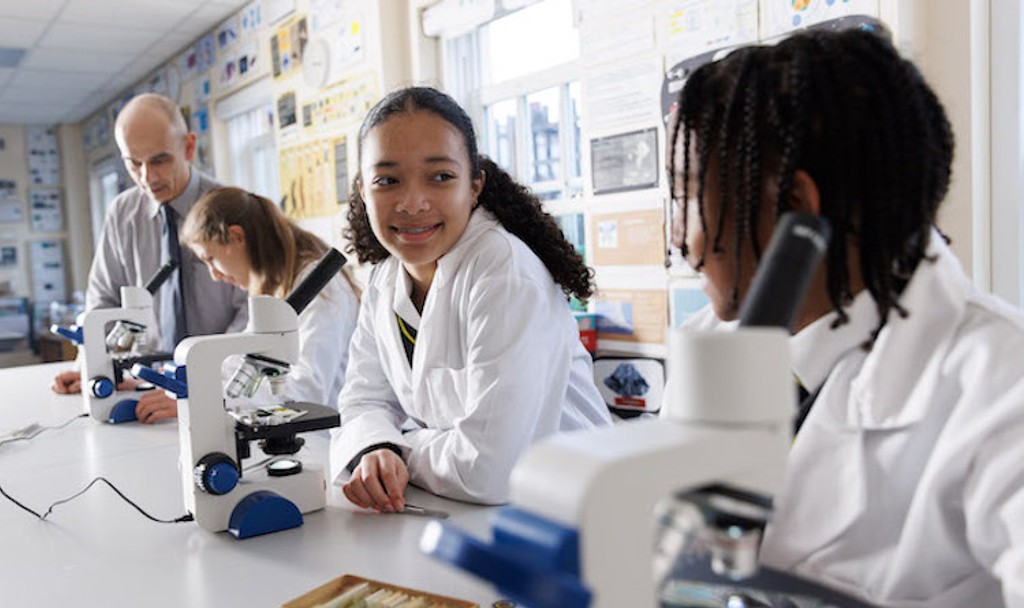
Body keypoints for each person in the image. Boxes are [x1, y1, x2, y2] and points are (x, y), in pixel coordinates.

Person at [668, 27, 1024, 607]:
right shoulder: (708, 347)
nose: (679, 238)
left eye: (686, 198)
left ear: (795, 206)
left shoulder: (1002, 384)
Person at [330, 86, 612, 510]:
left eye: (440, 176)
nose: (411, 203)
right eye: (387, 180)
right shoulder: (384, 281)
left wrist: (400, 446)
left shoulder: (504, 271)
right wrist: (374, 450)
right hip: (474, 514)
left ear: (475, 185)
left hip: (576, 510)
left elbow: (488, 470)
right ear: (363, 191)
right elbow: (363, 400)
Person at [51, 93, 248, 410]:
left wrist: (200, 387)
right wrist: (90, 366)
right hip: (145, 387)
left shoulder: (233, 209)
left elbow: (250, 313)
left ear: (188, 147)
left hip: (217, 392)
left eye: (159, 160)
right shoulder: (122, 213)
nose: (148, 177)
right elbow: (103, 303)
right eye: (134, 163)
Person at [179, 186, 359, 408]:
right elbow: (244, 359)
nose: (214, 275)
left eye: (211, 258)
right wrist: (192, 380)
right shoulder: (273, 283)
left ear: (236, 236)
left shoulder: (319, 288)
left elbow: (308, 391)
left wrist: (208, 400)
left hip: (327, 435)